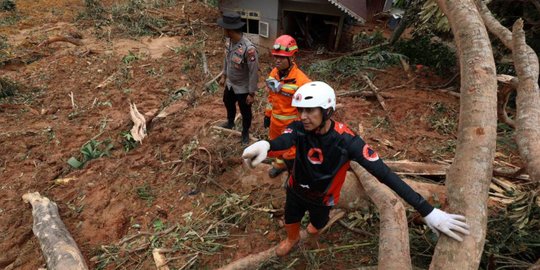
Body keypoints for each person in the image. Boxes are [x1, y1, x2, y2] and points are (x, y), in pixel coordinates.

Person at [242, 81, 470, 256]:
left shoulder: (347, 141)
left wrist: (427, 210)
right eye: (301, 110)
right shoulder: (299, 129)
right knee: (291, 218)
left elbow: (385, 174)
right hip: (295, 189)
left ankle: (311, 232)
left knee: (318, 224)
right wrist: (267, 145)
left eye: (311, 110)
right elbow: (285, 140)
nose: (303, 116)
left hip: (323, 199)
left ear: (327, 111)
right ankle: (292, 240)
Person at [264, 35, 311, 178]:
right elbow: (271, 97)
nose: (277, 60)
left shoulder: (302, 81)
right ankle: (279, 164)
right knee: (276, 146)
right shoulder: (274, 73)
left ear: (292, 58)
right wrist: (267, 115)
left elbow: (308, 107)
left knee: (291, 152)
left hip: (291, 125)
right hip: (275, 123)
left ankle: (293, 175)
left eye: (282, 58)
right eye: (276, 57)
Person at [217, 11, 259, 144]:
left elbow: (253, 72)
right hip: (231, 84)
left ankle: (245, 132)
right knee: (227, 101)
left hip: (243, 87)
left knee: (245, 111)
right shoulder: (229, 42)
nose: (223, 30)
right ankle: (230, 122)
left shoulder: (249, 49)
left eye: (224, 27)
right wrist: (224, 75)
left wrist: (251, 93)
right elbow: (227, 59)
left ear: (230, 30)